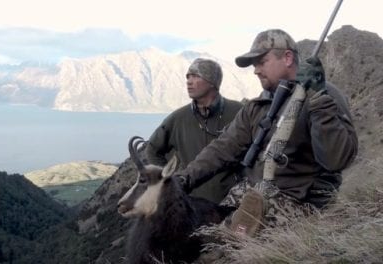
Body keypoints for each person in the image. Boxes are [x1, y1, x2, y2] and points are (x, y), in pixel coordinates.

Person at [175, 29, 358, 229]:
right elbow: (223, 147)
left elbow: (337, 160)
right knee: (197, 228)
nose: (256, 70)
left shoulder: (324, 95)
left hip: (300, 200)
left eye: (262, 62)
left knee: (222, 246)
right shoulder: (258, 106)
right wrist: (186, 178)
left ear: (287, 58)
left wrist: (319, 100)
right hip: (254, 191)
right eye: (255, 65)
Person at [145, 58, 243, 203]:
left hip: (232, 205)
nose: (189, 81)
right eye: (188, 76)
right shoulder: (178, 118)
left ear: (212, 82)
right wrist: (169, 179)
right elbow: (152, 149)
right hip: (193, 208)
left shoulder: (239, 112)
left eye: (196, 76)